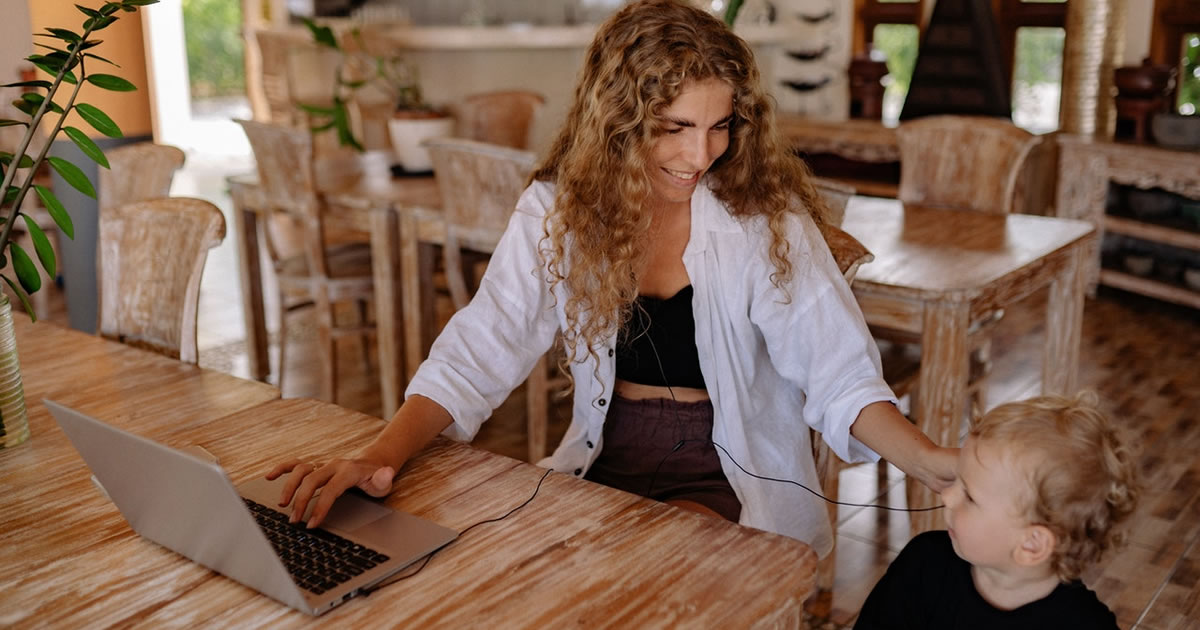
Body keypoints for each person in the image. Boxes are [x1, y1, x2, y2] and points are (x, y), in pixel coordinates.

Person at [269, 0, 956, 556]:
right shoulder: (560, 209)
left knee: (644, 577)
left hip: (727, 470)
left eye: (719, 126)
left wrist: (926, 460)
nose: (700, 155)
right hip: (603, 457)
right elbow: (483, 344)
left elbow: (840, 375)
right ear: (619, 120)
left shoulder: (762, 219)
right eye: (674, 127)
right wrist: (379, 457)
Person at [854, 392, 1140, 629]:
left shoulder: (1087, 624)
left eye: (970, 496)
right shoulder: (924, 565)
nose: (947, 495)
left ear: (1031, 544)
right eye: (957, 479)